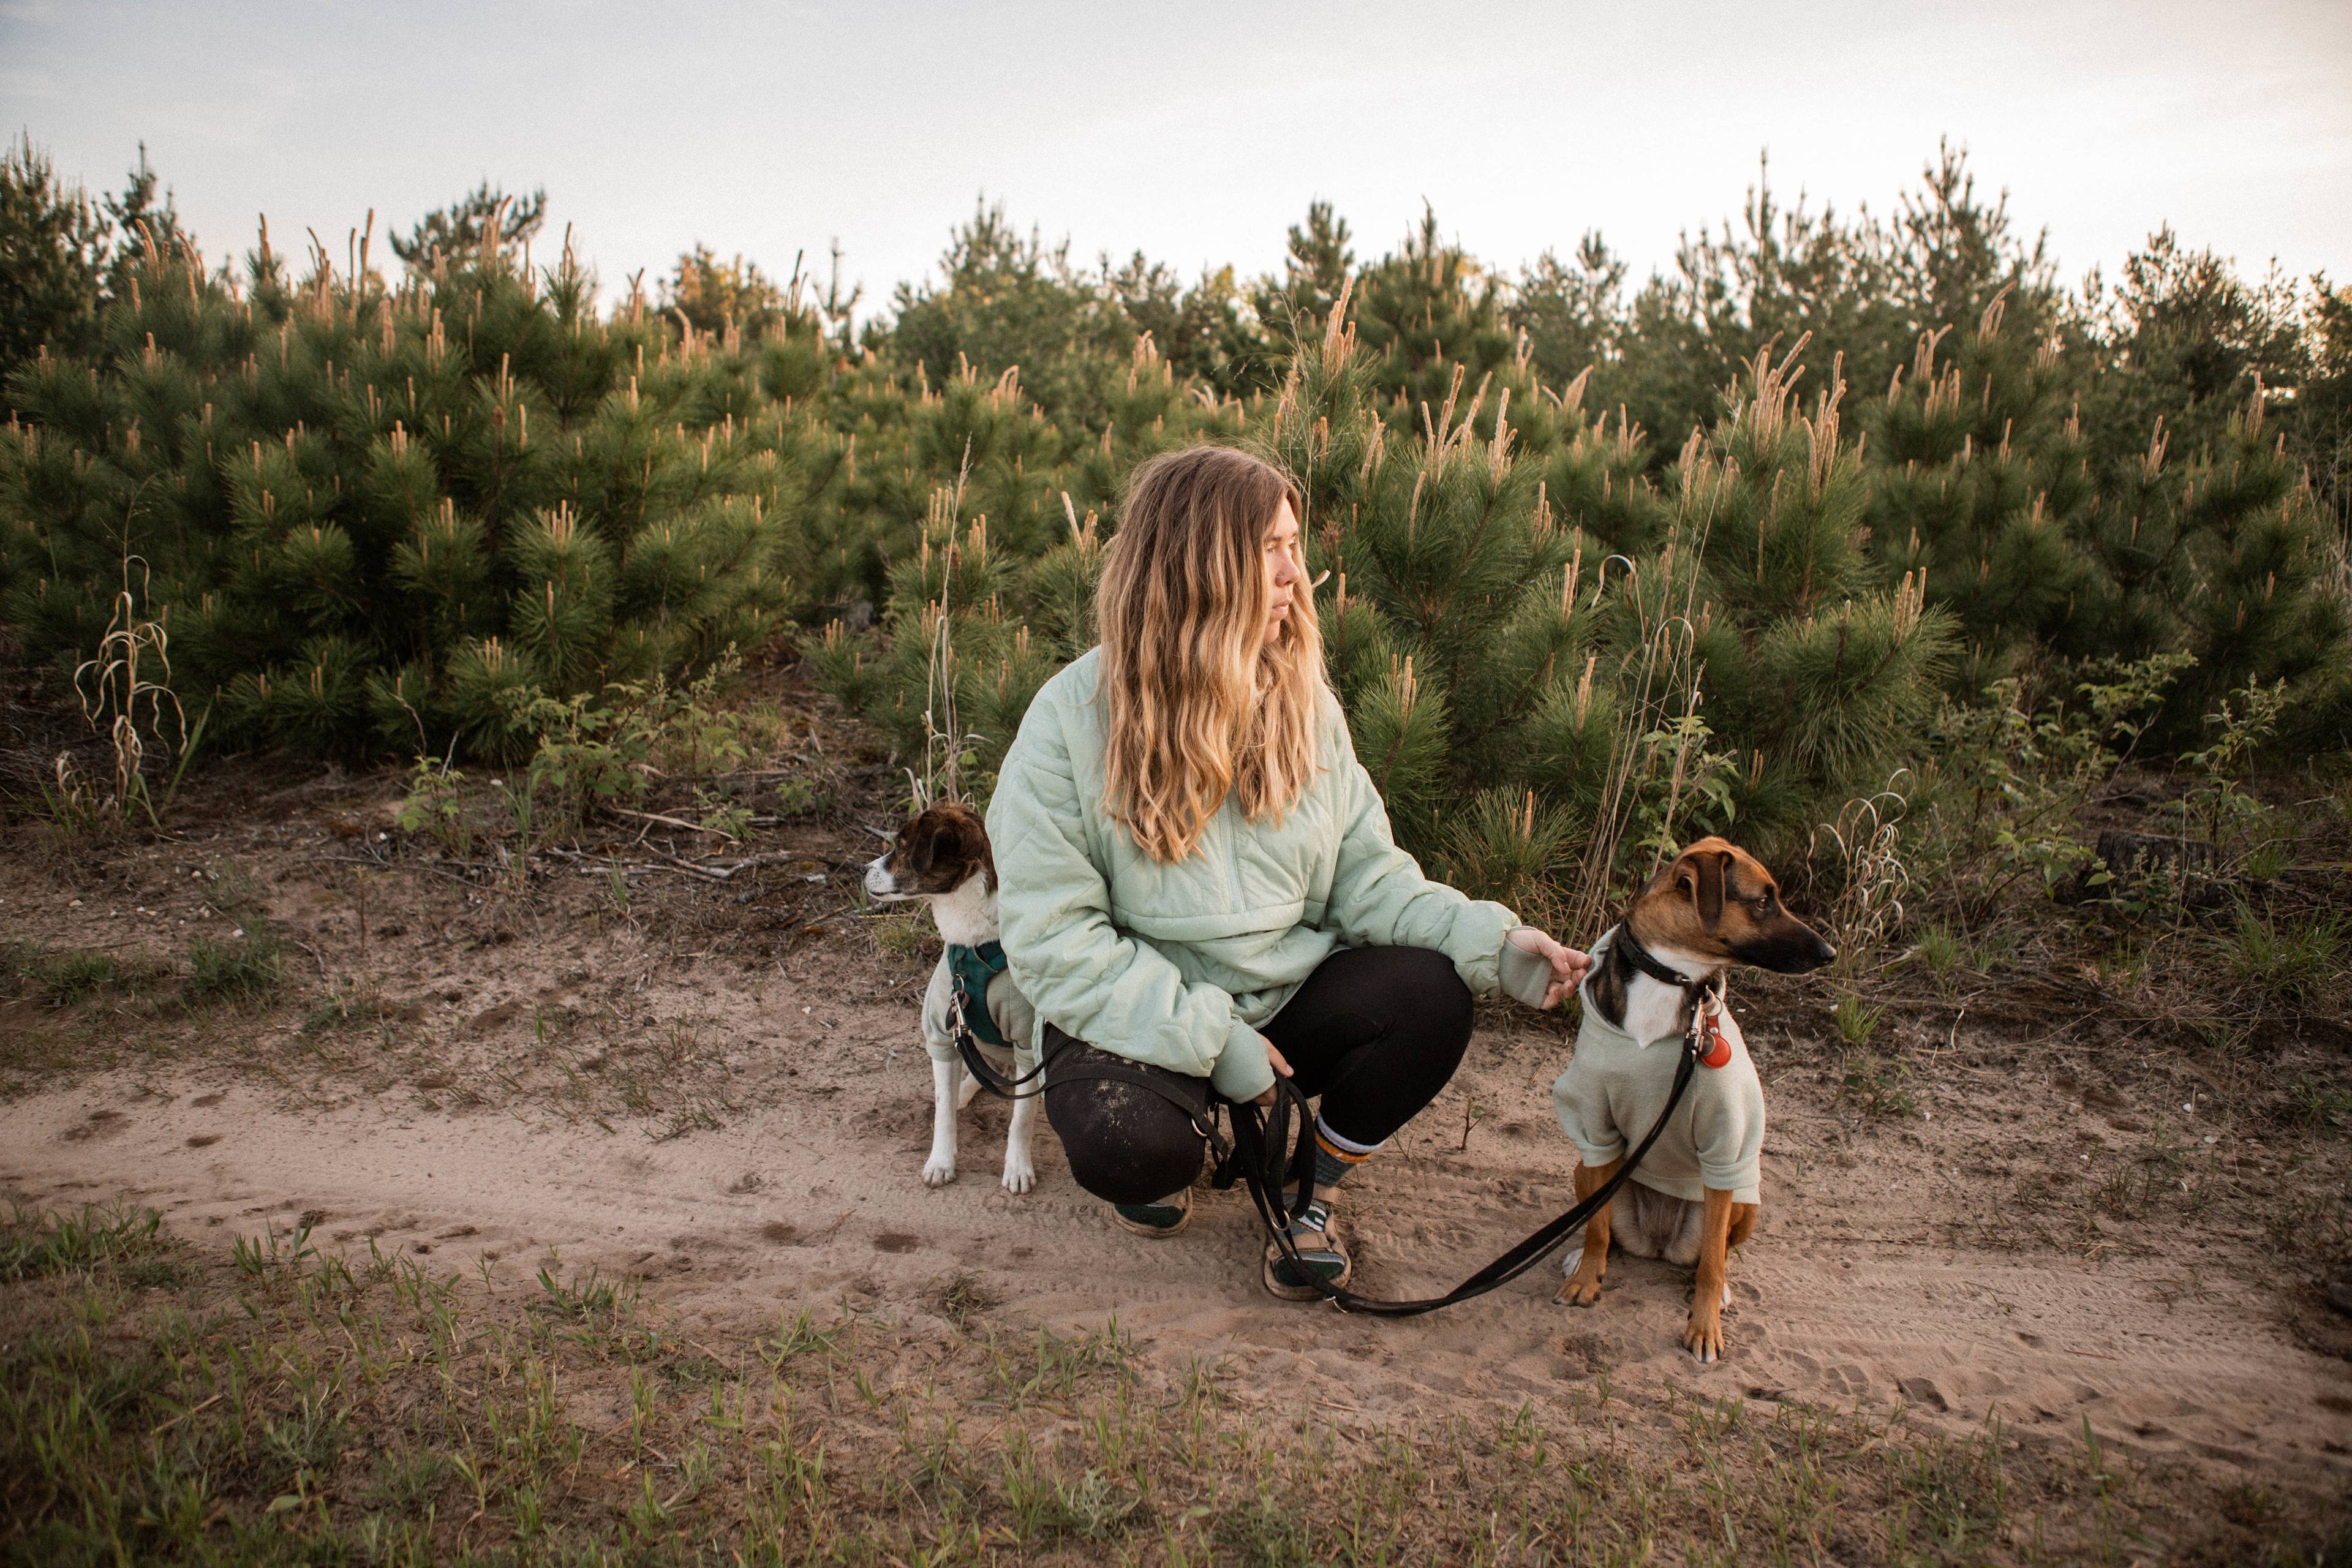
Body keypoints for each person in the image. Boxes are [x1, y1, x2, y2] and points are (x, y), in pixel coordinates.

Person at [985, 444, 1589, 1299]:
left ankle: (1309, 1191)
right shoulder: (1068, 722)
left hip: (1283, 999)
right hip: (1141, 1011)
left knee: (1433, 994)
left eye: (1295, 546)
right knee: (1128, 1144)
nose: (1294, 575)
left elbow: (1368, 877)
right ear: (1201, 562)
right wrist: (1212, 1040)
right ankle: (1177, 1155)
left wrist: (1493, 940)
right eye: (1271, 548)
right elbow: (1055, 944)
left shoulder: (1304, 703)